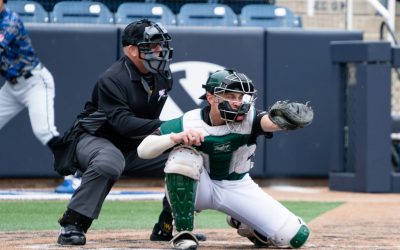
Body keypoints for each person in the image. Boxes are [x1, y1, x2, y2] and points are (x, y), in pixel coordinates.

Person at [55, 19, 205, 246]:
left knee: (189, 157)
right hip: (95, 138)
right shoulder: (112, 78)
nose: (159, 50)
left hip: (136, 144)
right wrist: (171, 128)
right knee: (110, 162)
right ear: (131, 50)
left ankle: (169, 225)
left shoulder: (163, 75)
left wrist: (170, 137)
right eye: (152, 45)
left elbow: (143, 124)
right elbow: (123, 123)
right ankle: (73, 222)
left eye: (161, 44)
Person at [138, 69, 312, 249]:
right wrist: (176, 137)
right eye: (230, 96)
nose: (237, 103)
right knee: (181, 157)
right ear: (211, 97)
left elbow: (268, 121)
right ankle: (184, 233)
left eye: (240, 97)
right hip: (200, 188)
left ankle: (241, 220)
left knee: (295, 237)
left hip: (237, 186)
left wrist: (283, 119)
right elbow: (143, 150)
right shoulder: (189, 121)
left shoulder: (249, 118)